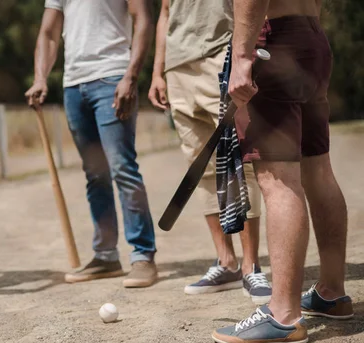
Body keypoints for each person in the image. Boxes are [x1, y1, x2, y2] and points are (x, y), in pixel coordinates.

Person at [212, 0, 353, 343]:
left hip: (271, 43)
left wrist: (243, 57)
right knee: (317, 167)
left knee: (277, 179)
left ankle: (282, 316)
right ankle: (332, 293)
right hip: (311, 36)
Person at [26, 0, 158, 287]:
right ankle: (106, 256)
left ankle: (143, 255)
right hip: (74, 85)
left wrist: (131, 76)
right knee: (95, 174)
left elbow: (143, 19)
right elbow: (48, 33)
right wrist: (40, 78)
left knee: (122, 167)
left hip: (112, 77)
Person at [149, 0, 271, 304]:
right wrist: (158, 71)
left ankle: (251, 266)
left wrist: (246, 53)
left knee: (240, 159)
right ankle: (226, 261)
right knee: (200, 166)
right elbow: (165, 12)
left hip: (220, 53)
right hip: (177, 66)